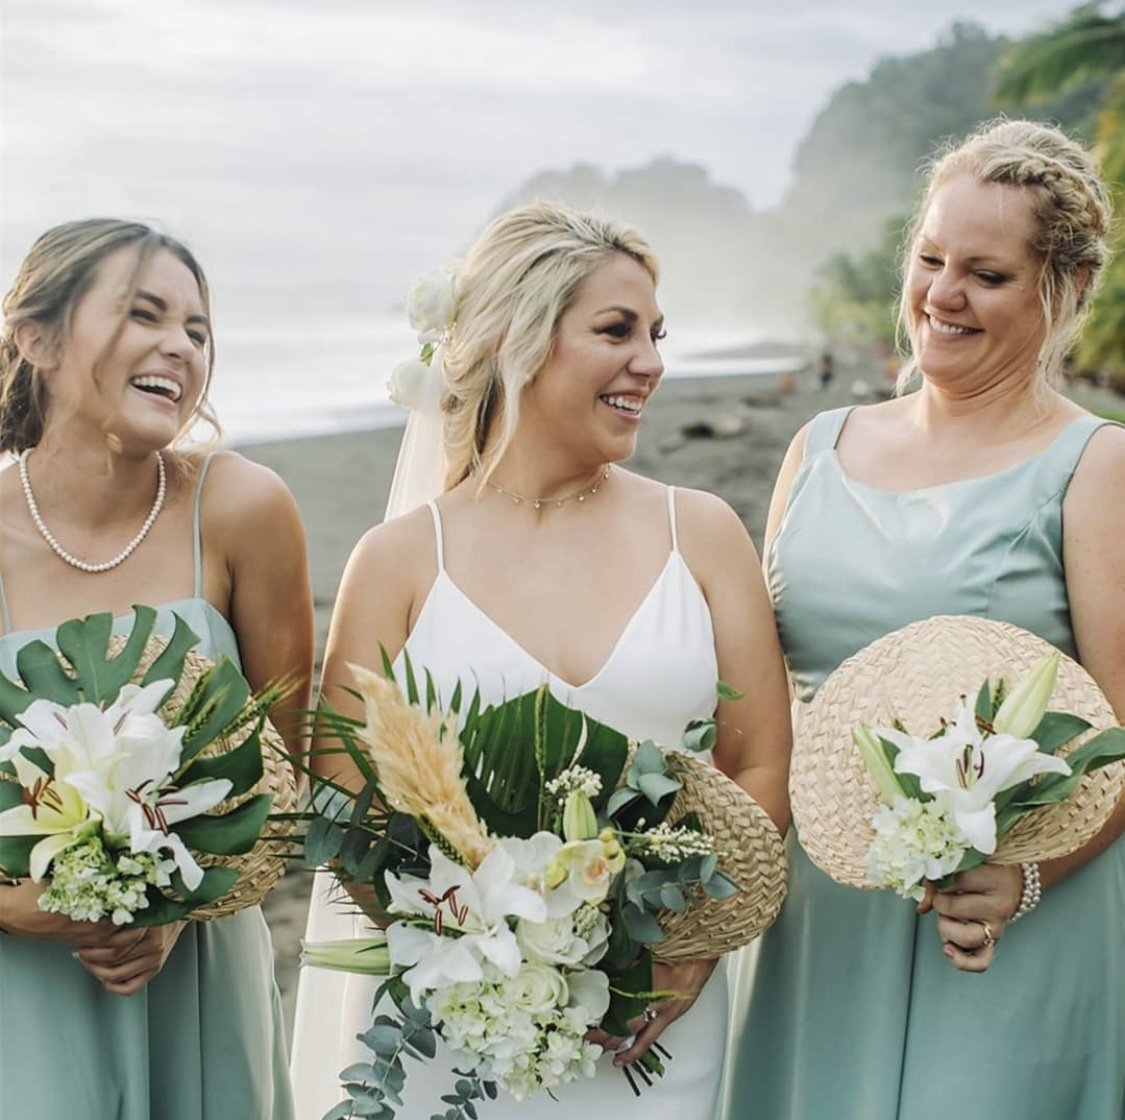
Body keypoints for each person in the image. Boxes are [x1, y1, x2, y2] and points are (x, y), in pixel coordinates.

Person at [289, 201, 792, 1119]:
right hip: (459, 1021)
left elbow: (757, 761)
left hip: (656, 1026)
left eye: (655, 333)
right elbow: (341, 792)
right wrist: (481, 951)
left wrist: (688, 951)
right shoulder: (401, 559)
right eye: (614, 330)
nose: (650, 361)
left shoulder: (703, 534)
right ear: (519, 341)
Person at [724, 119, 1125, 1118]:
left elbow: (1124, 728)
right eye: (931, 258)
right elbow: (762, 703)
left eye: (986, 274)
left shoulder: (1097, 466)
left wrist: (1026, 878)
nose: (941, 295)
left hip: (1009, 924)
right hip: (823, 913)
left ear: (1064, 289)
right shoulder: (817, 446)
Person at [0, 219, 314, 1120]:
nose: (180, 345)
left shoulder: (243, 508)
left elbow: (281, 773)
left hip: (198, 970)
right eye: (145, 315)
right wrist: (16, 907)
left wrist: (177, 905)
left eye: (198, 329)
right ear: (38, 337)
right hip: (21, 983)